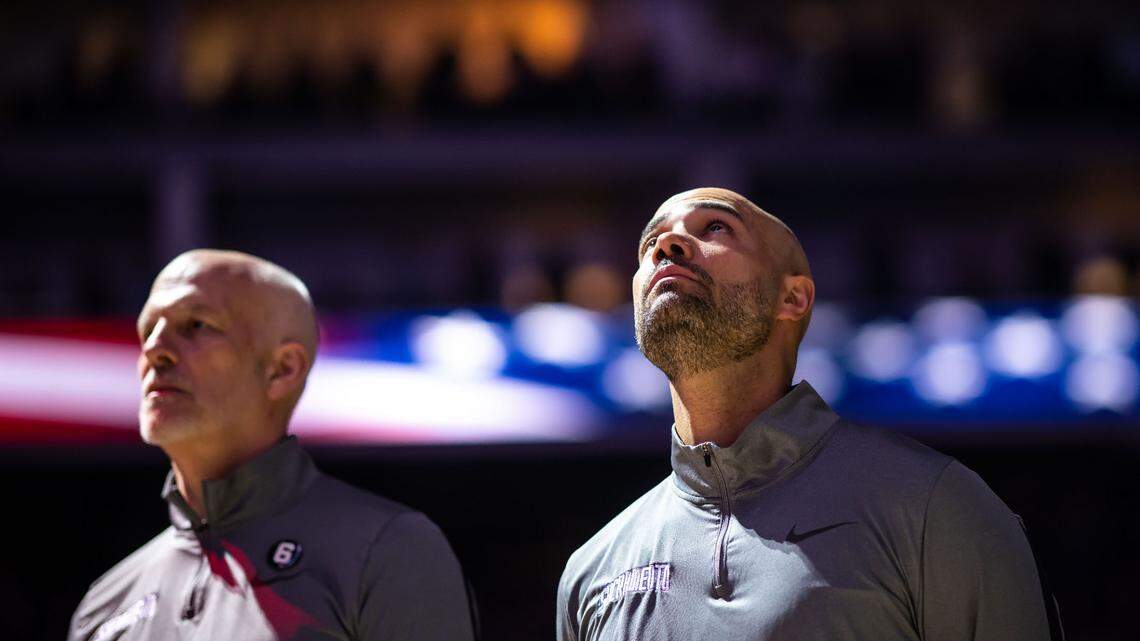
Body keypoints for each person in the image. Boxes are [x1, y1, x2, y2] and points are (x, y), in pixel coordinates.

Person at [556, 188, 1062, 641]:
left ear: (792, 298)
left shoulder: (936, 506)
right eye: (651, 245)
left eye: (715, 227)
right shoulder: (591, 574)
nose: (669, 246)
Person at [69, 250, 475, 641]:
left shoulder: (390, 553)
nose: (155, 350)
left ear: (282, 369)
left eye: (196, 325)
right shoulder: (103, 605)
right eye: (148, 330)